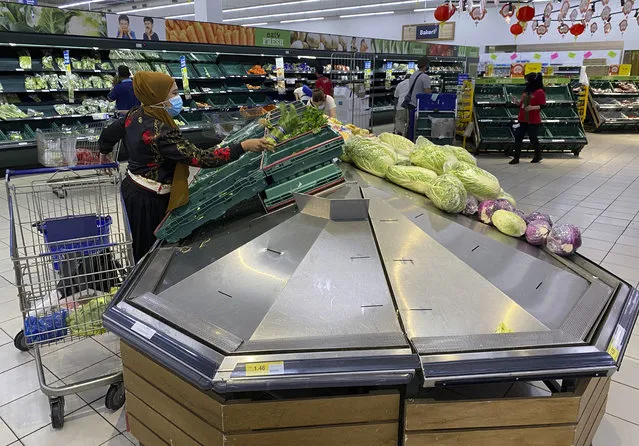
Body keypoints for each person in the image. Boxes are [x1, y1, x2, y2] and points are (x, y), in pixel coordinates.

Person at [98, 72, 271, 262]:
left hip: (133, 186)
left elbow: (110, 131)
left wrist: (104, 150)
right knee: (150, 252)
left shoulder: (137, 113)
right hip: (148, 199)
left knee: (140, 242)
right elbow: (201, 158)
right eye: (173, 93)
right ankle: (145, 286)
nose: (177, 98)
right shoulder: (161, 131)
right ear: (158, 98)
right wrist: (243, 146)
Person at [509, 72, 546, 165]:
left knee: (533, 138)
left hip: (533, 119)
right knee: (518, 137)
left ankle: (538, 156)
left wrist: (532, 107)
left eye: (528, 80)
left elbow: (542, 105)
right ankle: (516, 158)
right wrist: (516, 102)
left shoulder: (540, 92)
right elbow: (522, 104)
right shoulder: (527, 90)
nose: (526, 82)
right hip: (522, 118)